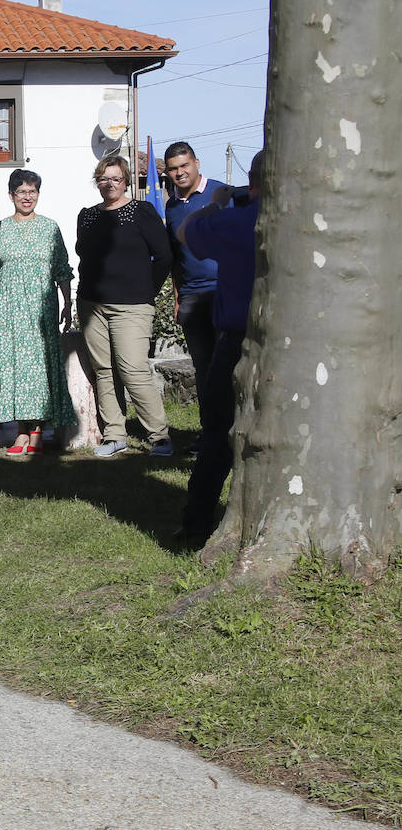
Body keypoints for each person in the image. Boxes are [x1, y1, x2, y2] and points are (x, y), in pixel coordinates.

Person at [175, 150, 264, 544]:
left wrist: (215, 204)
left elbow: (186, 233)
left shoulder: (236, 219)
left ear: (254, 182)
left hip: (235, 338)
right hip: (283, 342)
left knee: (217, 434)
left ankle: (196, 523)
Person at [74, 155, 175, 457]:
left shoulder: (140, 212)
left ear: (126, 181)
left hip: (132, 306)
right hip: (92, 305)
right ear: (97, 181)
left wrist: (147, 291)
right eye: (104, 178)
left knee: (133, 370)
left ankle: (160, 436)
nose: (109, 184)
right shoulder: (87, 216)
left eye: (115, 178)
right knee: (104, 371)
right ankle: (114, 435)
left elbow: (164, 256)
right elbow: (83, 256)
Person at [0, 168, 77, 455]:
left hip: (42, 310)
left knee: (41, 369)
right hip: (10, 312)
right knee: (14, 369)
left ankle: (37, 431)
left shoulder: (50, 227)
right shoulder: (0, 229)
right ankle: (21, 432)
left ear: (38, 194)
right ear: (11, 195)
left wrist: (68, 304)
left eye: (32, 191)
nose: (27, 197)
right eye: (22, 192)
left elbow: (62, 270)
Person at [162, 142, 225, 452]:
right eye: (173, 169)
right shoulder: (172, 206)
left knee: (229, 366)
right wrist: (177, 297)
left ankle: (233, 432)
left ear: (197, 163)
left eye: (184, 165)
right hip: (191, 297)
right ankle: (210, 434)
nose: (180, 173)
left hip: (225, 293)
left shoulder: (221, 195)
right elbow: (176, 257)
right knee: (203, 369)